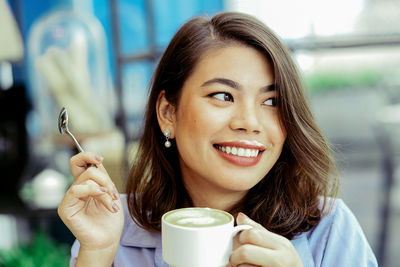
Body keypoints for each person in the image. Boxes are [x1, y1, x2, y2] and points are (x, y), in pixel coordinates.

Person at [58, 12, 378, 267]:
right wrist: (97, 254)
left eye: (271, 101)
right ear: (168, 113)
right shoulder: (113, 228)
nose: (249, 123)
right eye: (223, 95)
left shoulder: (330, 231)